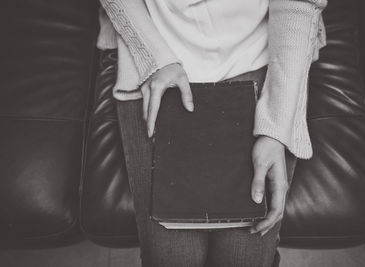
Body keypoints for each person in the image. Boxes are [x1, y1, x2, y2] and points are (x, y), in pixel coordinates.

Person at [97, 0, 327, 266]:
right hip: (156, 48)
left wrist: (276, 129)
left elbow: (298, 4)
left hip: (261, 52)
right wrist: (152, 58)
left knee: (244, 259)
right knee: (172, 259)